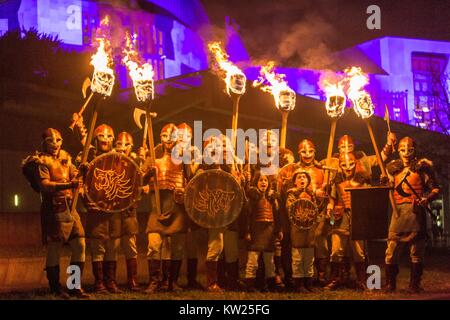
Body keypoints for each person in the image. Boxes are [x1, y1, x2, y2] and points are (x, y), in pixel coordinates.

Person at [22, 128, 89, 299]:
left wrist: (83, 171)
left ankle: (74, 286)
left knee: (79, 245)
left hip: (71, 208)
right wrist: (69, 186)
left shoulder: (66, 159)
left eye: (58, 140)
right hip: (53, 208)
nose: (55, 144)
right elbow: (45, 185)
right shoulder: (41, 161)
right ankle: (55, 288)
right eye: (51, 140)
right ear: (44, 142)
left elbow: (75, 176)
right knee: (55, 248)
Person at [384, 137, 440, 293]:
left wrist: (425, 199)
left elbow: (435, 189)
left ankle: (414, 285)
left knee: (416, 251)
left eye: (409, 150)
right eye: (402, 150)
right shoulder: (392, 169)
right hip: (398, 213)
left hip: (416, 213)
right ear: (398, 151)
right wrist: (384, 182)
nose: (406, 153)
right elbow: (387, 187)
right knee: (392, 250)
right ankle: (390, 284)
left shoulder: (423, 168)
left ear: (415, 151)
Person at [141, 123, 190, 293]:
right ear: (160, 138)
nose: (169, 140)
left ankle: (171, 281)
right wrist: (148, 174)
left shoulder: (184, 158)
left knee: (177, 248)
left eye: (172, 136)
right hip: (158, 207)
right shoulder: (152, 157)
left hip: (177, 208)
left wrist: (184, 191)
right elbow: (141, 182)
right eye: (164, 136)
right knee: (154, 246)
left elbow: (191, 182)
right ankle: (154, 281)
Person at [75, 123, 123, 294]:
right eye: (101, 136)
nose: (106, 139)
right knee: (98, 248)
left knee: (112, 247)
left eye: (109, 136)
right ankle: (99, 283)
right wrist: (85, 200)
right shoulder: (85, 156)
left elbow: (128, 178)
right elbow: (78, 182)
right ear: (95, 138)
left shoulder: (118, 158)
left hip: (114, 209)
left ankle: (111, 282)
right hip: (95, 209)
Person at [326, 152, 370, 291]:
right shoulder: (337, 180)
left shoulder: (363, 180)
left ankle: (361, 280)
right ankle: (335, 279)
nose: (348, 167)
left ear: (355, 163)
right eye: (344, 164)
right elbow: (332, 200)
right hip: (339, 218)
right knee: (335, 251)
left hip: (358, 217)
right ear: (340, 166)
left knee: (358, 251)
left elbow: (369, 198)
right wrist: (330, 211)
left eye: (351, 164)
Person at [244, 171, 283, 292]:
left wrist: (278, 231)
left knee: (269, 261)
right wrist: (247, 231)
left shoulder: (272, 199)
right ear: (256, 182)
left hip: (269, 232)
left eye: (265, 180)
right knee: (253, 260)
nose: (263, 183)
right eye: (261, 180)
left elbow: (277, 216)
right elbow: (247, 216)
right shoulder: (252, 198)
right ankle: (250, 285)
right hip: (256, 231)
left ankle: (270, 285)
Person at [114, 131, 141, 291]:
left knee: (130, 245)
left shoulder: (136, 163)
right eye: (119, 144)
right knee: (114, 246)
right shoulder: (109, 162)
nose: (122, 148)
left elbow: (140, 185)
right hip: (114, 210)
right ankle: (111, 281)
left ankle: (133, 280)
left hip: (130, 210)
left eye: (126, 145)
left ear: (132, 147)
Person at [286, 170, 321, 292]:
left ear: (308, 181)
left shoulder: (311, 195)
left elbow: (315, 210)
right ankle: (299, 283)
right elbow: (289, 208)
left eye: (305, 177)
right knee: (298, 258)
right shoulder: (292, 194)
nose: (302, 179)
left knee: (309, 258)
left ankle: (308, 282)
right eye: (299, 177)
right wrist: (299, 200)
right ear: (295, 182)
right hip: (297, 230)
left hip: (309, 230)